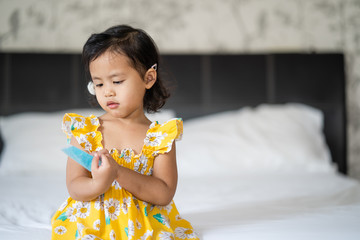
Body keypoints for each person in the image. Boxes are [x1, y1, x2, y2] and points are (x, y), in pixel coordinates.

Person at [51, 25, 199, 240]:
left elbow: (164, 193)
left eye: (117, 81)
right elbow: (75, 186)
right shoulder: (86, 131)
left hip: (144, 223)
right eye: (99, 84)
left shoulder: (160, 137)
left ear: (148, 78)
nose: (107, 91)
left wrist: (118, 172)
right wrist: (99, 183)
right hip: (93, 221)